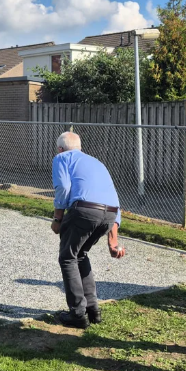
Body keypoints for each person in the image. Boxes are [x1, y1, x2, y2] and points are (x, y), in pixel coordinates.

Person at [51, 131, 126, 329]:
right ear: (80, 148)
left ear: (60, 149)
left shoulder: (61, 158)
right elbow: (114, 200)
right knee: (80, 255)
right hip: (109, 214)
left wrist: (58, 217)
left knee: (68, 258)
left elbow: (63, 188)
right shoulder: (97, 163)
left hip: (84, 210)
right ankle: (93, 310)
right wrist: (113, 241)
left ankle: (77, 314)